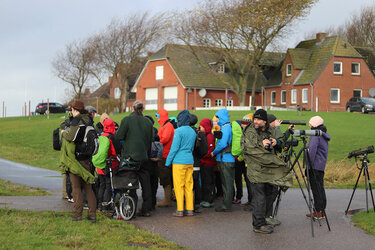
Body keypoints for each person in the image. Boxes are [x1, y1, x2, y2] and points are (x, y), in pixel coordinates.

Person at [241, 109, 292, 234]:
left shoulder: (272, 130)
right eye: (255, 119)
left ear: (265, 121)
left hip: (269, 169)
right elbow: (250, 148)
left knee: (271, 192)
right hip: (256, 170)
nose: (255, 121)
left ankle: (265, 218)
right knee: (260, 197)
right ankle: (258, 225)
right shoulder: (250, 131)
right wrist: (261, 144)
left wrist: (276, 142)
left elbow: (282, 140)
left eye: (258, 119)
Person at [60, 100, 97, 222]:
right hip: (88, 159)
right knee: (88, 188)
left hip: (77, 160)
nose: (70, 112)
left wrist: (63, 132)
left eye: (71, 110)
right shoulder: (89, 120)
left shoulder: (78, 121)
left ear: (76, 110)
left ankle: (77, 214)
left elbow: (71, 137)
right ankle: (92, 214)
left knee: (76, 188)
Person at [115, 100, 153, 217]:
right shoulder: (148, 122)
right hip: (144, 156)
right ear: (142, 109)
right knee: (146, 184)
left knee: (130, 183)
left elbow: (118, 136)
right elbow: (150, 140)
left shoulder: (127, 120)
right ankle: (146, 208)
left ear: (132, 108)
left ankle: (131, 209)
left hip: (130, 157)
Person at [165, 110, 197, 217]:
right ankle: (190, 209)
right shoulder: (193, 131)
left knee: (179, 186)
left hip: (179, 162)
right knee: (189, 185)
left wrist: (168, 162)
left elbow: (174, 148)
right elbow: (192, 147)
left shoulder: (178, 131)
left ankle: (180, 209)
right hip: (189, 160)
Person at [306, 116, 330, 219]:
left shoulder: (315, 135)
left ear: (314, 125)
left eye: (310, 123)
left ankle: (318, 211)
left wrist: (308, 164)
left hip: (314, 165)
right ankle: (321, 210)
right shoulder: (323, 135)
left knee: (316, 189)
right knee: (320, 188)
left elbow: (311, 151)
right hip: (320, 165)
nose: (309, 125)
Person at [212, 109, 235, 212]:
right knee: (227, 183)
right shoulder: (227, 127)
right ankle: (227, 203)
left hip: (225, 158)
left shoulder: (226, 128)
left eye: (217, 117)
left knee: (227, 183)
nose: (216, 119)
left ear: (221, 117)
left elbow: (223, 144)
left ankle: (226, 205)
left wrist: (214, 152)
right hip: (227, 158)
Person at [155, 109, 175, 207]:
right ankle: (168, 198)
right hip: (164, 155)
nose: (157, 118)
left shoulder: (168, 126)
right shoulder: (166, 126)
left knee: (165, 177)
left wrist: (157, 142)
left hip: (165, 156)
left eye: (158, 116)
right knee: (164, 176)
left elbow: (165, 139)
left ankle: (167, 200)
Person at [199, 118, 216, 208]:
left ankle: (209, 199)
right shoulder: (205, 135)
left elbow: (210, 150)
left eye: (201, 126)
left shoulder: (209, 136)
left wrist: (202, 155)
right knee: (205, 181)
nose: (200, 128)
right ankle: (206, 198)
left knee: (208, 181)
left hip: (207, 163)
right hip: (204, 162)